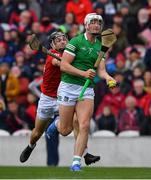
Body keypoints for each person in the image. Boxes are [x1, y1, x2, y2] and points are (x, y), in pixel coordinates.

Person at [46, 13, 117, 171]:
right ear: (86, 25)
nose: (97, 25)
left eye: (99, 23)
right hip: (68, 86)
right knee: (65, 130)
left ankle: (76, 162)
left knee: (84, 125)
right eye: (93, 22)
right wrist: (83, 73)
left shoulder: (100, 46)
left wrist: (108, 78)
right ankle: (56, 124)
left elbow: (101, 71)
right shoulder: (75, 42)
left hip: (86, 90)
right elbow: (64, 66)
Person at [19, 31, 100, 166]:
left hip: (63, 96)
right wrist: (76, 66)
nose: (62, 41)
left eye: (64, 39)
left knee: (76, 121)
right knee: (37, 132)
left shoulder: (71, 54)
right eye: (58, 40)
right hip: (47, 99)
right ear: (52, 44)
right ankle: (30, 146)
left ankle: (85, 154)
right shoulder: (53, 55)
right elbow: (60, 64)